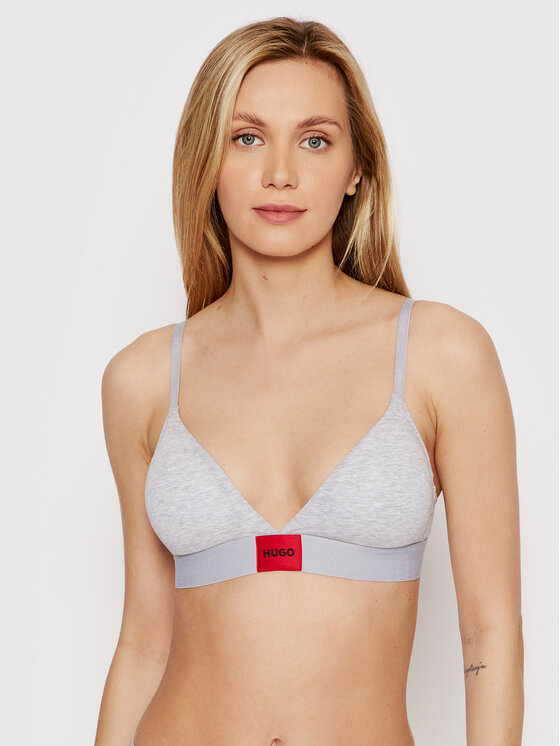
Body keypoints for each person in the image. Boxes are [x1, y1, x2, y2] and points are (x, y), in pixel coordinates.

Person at [94, 16, 524, 746]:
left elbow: (490, 633)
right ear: (208, 159)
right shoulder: (141, 379)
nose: (280, 173)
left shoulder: (441, 355)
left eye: (315, 140)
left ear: (357, 169)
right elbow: (144, 642)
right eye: (247, 137)